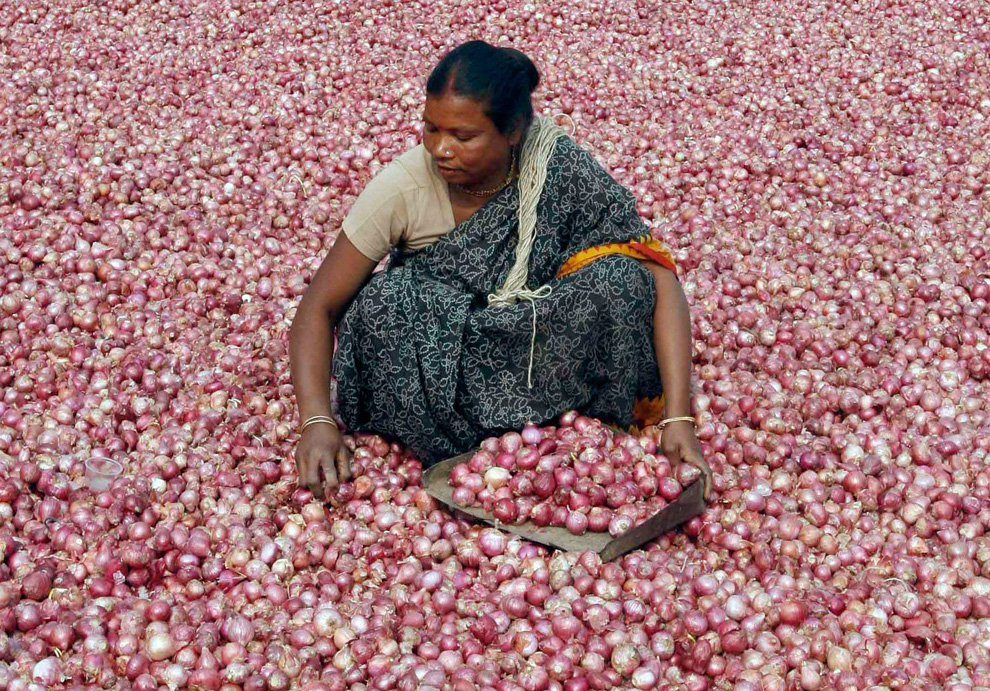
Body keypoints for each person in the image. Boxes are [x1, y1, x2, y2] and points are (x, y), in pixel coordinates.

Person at [290, 41, 712, 501]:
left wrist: (678, 417)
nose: (440, 149)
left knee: (622, 277)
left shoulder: (556, 167)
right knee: (382, 303)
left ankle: (551, 443)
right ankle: (533, 441)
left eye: (463, 136)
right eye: (431, 129)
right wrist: (315, 421)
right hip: (446, 371)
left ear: (512, 131)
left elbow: (657, 274)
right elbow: (318, 307)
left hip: (537, 347)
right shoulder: (402, 185)